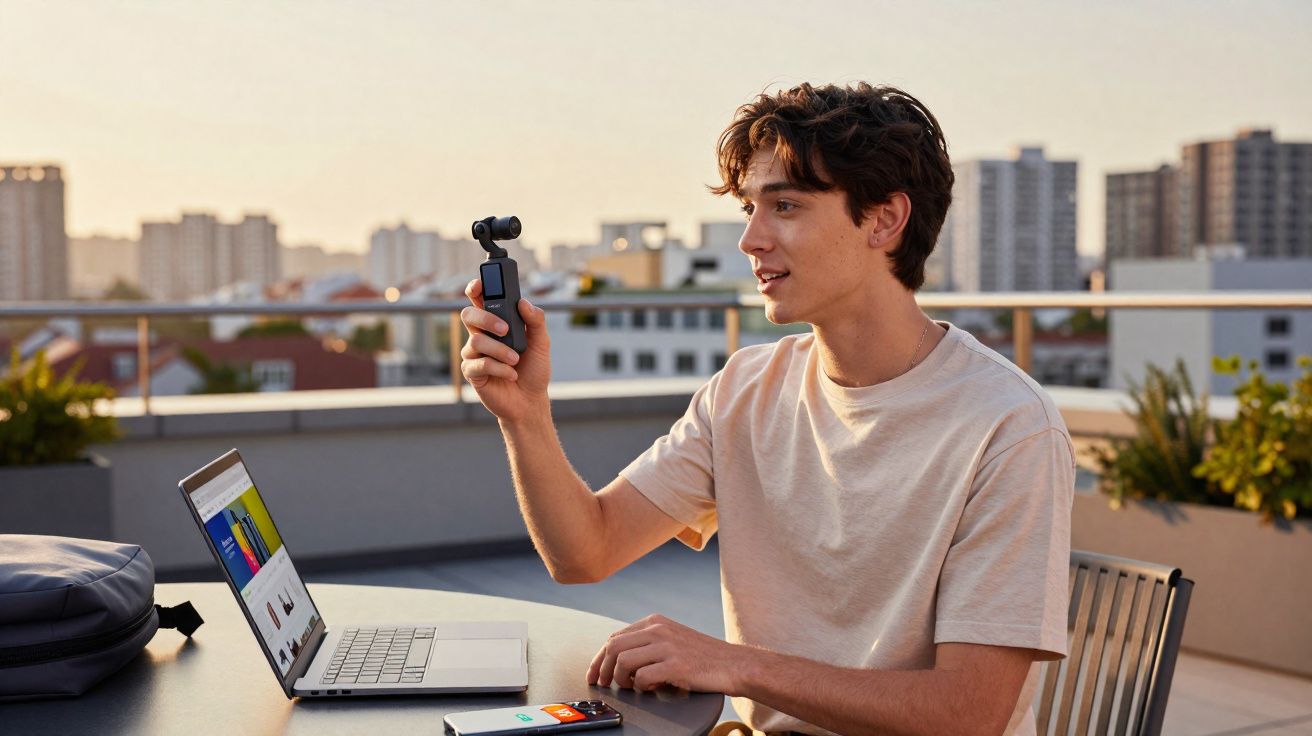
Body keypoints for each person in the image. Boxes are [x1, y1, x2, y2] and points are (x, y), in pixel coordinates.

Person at [459, 82, 1074, 736]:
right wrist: (525, 414)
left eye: (785, 205)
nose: (751, 239)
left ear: (885, 220)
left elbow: (968, 715)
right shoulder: (746, 389)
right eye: (753, 208)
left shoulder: (1008, 425)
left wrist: (734, 666)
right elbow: (585, 552)